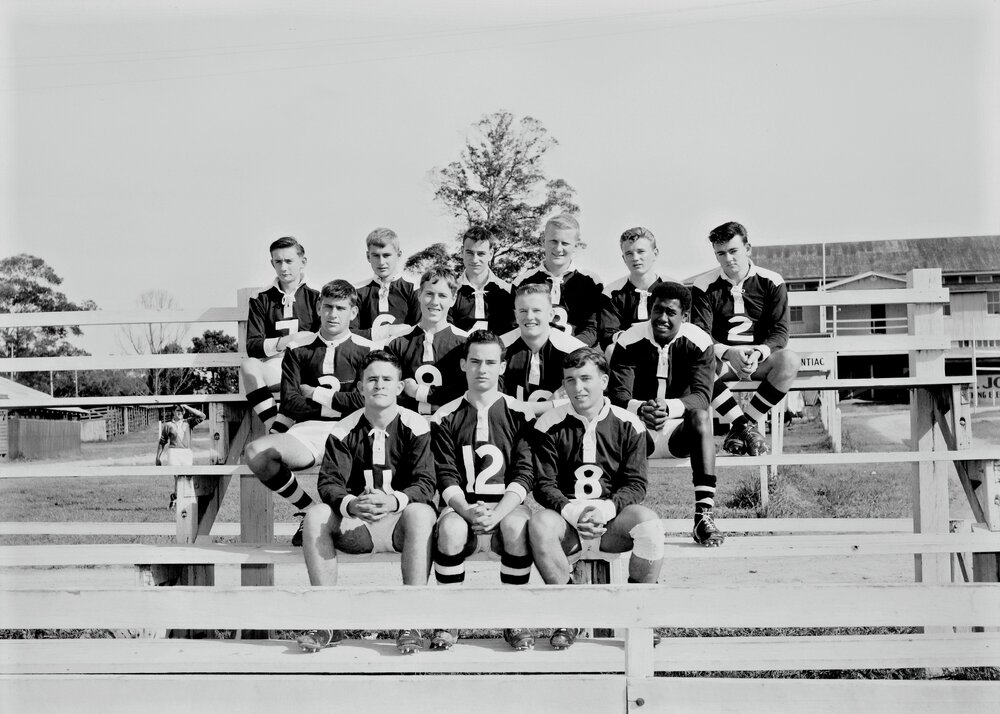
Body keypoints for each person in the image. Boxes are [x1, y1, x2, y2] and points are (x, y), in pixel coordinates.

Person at [295, 350, 437, 655]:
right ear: (360, 386)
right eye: (372, 379)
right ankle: (326, 621)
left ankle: (411, 621)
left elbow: (425, 482)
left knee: (422, 513)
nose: (379, 385)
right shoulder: (343, 428)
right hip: (357, 525)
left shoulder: (417, 425)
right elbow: (329, 482)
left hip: (400, 523)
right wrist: (350, 504)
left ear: (400, 387)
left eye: (387, 379)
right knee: (316, 515)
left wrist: (393, 501)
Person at [527, 347, 665, 650]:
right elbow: (544, 485)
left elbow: (636, 484)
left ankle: (637, 613)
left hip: (612, 524)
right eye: (570, 380)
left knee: (649, 525)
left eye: (586, 378)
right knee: (538, 523)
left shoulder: (629, 423)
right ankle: (570, 614)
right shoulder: (548, 423)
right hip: (568, 526)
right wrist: (575, 513)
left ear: (604, 380)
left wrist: (602, 510)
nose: (578, 388)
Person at [428, 330, 536, 651]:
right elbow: (445, 475)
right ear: (463, 364)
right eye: (475, 361)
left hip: (507, 506)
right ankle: (449, 620)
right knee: (448, 528)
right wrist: (467, 510)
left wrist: (499, 512)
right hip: (463, 507)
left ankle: (513, 617)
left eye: (491, 362)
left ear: (503, 367)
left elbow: (525, 473)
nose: (482, 369)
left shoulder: (521, 412)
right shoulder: (445, 415)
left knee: (517, 526)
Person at [244, 280, 373, 546]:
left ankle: (352, 522)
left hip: (354, 430)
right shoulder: (299, 348)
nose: (333, 314)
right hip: (309, 430)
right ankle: (309, 510)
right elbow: (290, 403)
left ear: (354, 312)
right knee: (257, 453)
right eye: (327, 307)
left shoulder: (368, 349)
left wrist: (314, 393)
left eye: (340, 308)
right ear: (318, 307)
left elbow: (364, 402)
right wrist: (341, 401)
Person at [608, 282, 724, 547]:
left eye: (671, 312)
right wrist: (641, 408)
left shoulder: (698, 341)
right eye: (657, 310)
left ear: (685, 315)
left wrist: (668, 408)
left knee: (701, 417)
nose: (662, 318)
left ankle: (703, 516)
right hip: (639, 432)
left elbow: (702, 397)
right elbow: (617, 397)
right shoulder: (629, 340)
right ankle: (613, 517)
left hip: (678, 432)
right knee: (613, 420)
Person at [690, 221, 801, 456]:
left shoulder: (772, 281)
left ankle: (742, 426)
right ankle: (745, 427)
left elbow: (780, 331)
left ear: (748, 248)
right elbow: (700, 335)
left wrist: (760, 351)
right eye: (721, 253)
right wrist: (728, 352)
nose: (728, 259)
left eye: (733, 251)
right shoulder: (703, 285)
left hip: (759, 359)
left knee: (790, 361)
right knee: (696, 365)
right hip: (724, 361)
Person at [242, 236, 319, 433]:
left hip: (307, 369)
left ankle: (287, 423)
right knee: (248, 366)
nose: (283, 267)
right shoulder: (261, 298)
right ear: (272, 263)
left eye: (289, 261)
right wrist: (288, 340)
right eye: (278, 261)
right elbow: (253, 346)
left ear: (303, 262)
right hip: (277, 367)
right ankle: (273, 428)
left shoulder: (317, 295)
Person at [384, 267, 468, 416]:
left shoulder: (464, 342)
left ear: (453, 299)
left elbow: (465, 390)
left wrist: (419, 392)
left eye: (442, 295)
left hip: (451, 428)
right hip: (407, 427)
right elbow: (389, 390)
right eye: (429, 294)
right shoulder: (397, 343)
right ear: (419, 295)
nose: (435, 302)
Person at [512, 214, 603, 347]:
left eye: (565, 243)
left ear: (575, 245)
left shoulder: (590, 281)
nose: (558, 248)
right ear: (544, 240)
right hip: (533, 352)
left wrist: (569, 349)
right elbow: (515, 325)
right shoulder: (523, 282)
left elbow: (592, 329)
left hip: (575, 357)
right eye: (553, 241)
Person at [500, 283, 585, 414]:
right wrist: (549, 404)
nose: (529, 316)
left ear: (551, 314)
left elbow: (586, 400)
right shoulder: (498, 348)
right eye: (523, 311)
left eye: (537, 310)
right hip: (509, 425)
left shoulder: (575, 350)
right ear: (516, 315)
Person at [599, 227, 676, 350]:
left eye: (641, 251)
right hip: (629, 351)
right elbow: (607, 335)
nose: (635, 258)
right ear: (624, 258)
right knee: (611, 350)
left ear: (655, 253)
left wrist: (645, 332)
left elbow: (682, 327)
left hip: (666, 349)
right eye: (629, 253)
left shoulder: (673, 288)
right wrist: (634, 336)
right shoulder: (612, 292)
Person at [352, 227, 421, 339]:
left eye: (386, 255)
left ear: (398, 255)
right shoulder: (356, 291)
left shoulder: (414, 288)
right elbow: (348, 335)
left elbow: (419, 332)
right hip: (367, 355)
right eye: (376, 255)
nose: (381, 262)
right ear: (368, 256)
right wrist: (385, 332)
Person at [449, 225, 516, 335]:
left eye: (481, 254)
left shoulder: (507, 291)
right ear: (462, 252)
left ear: (491, 254)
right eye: (470, 253)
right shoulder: (450, 292)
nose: (475, 260)